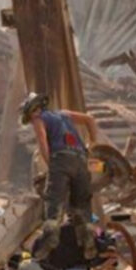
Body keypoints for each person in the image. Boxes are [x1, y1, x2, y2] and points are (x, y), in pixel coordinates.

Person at [20, 92, 103, 261]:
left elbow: (43, 142)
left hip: (61, 159)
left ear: (34, 110)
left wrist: (52, 166)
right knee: (82, 207)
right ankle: (88, 244)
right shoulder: (64, 114)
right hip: (81, 160)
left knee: (54, 203)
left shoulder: (39, 119)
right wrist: (92, 143)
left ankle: (50, 240)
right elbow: (90, 119)